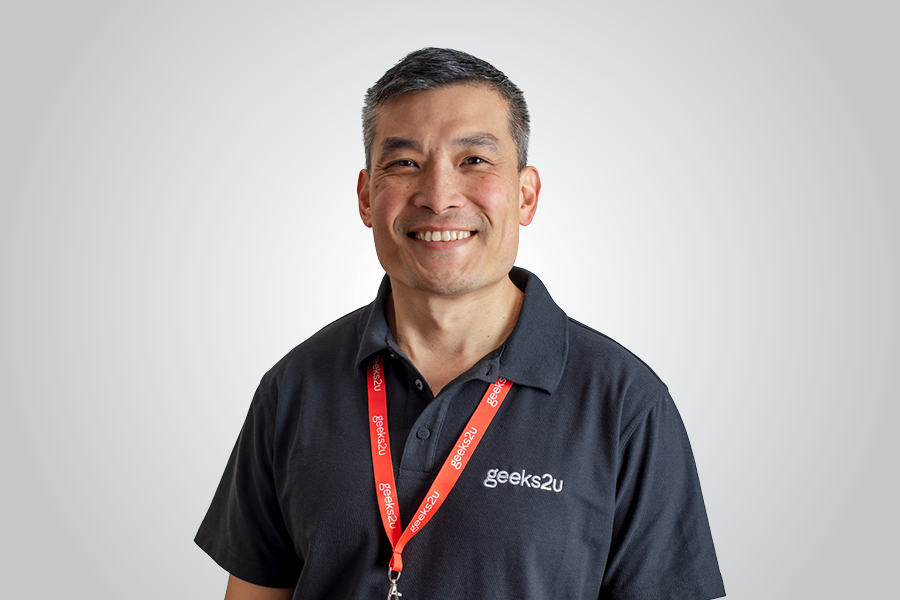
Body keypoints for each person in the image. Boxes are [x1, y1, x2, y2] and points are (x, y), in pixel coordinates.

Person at [196, 47, 725, 600]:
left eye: (473, 160)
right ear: (366, 197)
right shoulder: (293, 387)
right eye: (404, 163)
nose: (439, 197)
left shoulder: (625, 404)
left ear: (526, 194)